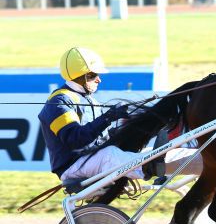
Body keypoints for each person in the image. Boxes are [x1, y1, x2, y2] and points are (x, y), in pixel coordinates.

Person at [38, 47, 202, 185]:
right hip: (73, 166)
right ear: (83, 76)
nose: (99, 80)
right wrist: (108, 117)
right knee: (110, 155)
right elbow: (75, 139)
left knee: (148, 151)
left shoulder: (89, 99)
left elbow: (100, 136)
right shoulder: (59, 102)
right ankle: (152, 168)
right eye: (94, 76)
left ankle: (195, 162)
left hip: (94, 158)